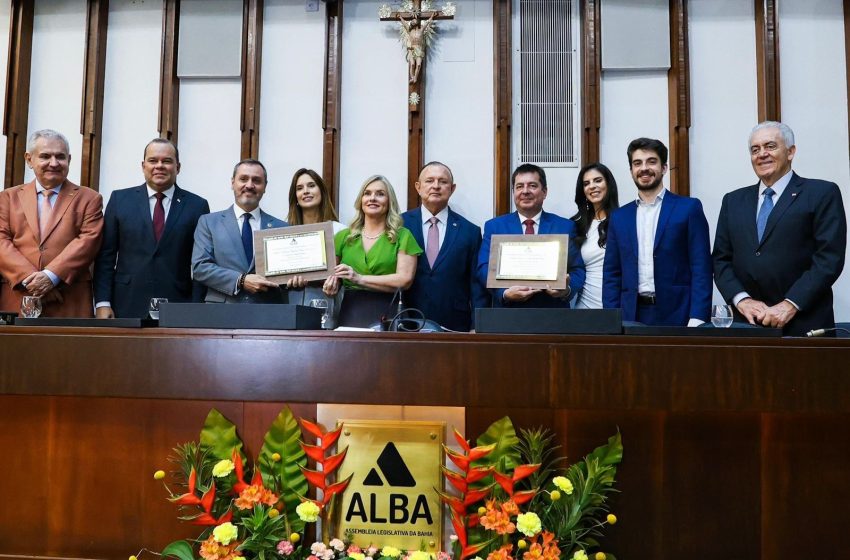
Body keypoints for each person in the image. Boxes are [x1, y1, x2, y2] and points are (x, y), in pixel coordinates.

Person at [713, 121, 847, 336]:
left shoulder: (822, 193)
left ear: (791, 151)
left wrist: (790, 304)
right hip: (746, 324)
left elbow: (829, 259)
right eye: (755, 149)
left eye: (770, 146)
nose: (762, 154)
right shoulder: (733, 201)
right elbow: (721, 260)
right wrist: (742, 300)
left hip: (804, 323)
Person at [94, 139, 210, 318]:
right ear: (143, 166)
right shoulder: (120, 200)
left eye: (167, 161)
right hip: (126, 303)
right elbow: (105, 257)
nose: (159, 166)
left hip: (178, 304)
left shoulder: (197, 206)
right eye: (153, 160)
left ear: (178, 167)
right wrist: (102, 302)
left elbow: (201, 263)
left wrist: (195, 306)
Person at [603, 137, 712, 326]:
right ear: (631, 171)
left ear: (664, 168)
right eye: (637, 163)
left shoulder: (688, 208)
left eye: (651, 161)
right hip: (631, 315)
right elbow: (612, 273)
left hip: (679, 314)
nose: (644, 168)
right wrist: (612, 318)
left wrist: (698, 317)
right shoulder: (619, 217)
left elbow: (701, 267)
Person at [0, 129, 103, 317]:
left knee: (68, 348)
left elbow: (88, 241)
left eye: (60, 157)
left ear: (69, 160)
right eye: (45, 156)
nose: (53, 163)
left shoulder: (89, 199)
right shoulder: (7, 198)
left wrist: (50, 277)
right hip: (18, 297)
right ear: (29, 159)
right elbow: (1, 242)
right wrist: (31, 280)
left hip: (69, 299)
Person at [477, 163, 585, 308]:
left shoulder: (564, 226)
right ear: (513, 192)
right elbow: (483, 267)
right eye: (519, 186)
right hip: (507, 315)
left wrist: (566, 290)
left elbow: (577, 270)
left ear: (544, 192)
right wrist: (504, 292)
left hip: (552, 315)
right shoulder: (495, 227)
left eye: (532, 185)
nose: (525, 191)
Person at [323, 175, 422, 327]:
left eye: (380, 194)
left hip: (390, 313)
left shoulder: (403, 235)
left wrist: (359, 278)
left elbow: (405, 280)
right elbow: (330, 276)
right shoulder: (343, 237)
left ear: (389, 201)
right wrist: (331, 284)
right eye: (367, 193)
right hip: (351, 313)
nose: (372, 198)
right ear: (360, 200)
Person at [401, 161, 489, 331]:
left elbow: (476, 286)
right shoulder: (400, 225)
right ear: (418, 187)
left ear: (452, 188)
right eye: (429, 181)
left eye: (443, 181)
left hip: (454, 323)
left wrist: (476, 326)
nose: (436, 186)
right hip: (406, 320)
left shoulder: (470, 231)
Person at [192, 159, 288, 303]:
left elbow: (286, 274)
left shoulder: (282, 227)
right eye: (243, 179)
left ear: (265, 186)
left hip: (267, 313)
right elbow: (200, 268)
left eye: (256, 180)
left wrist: (295, 280)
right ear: (232, 183)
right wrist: (241, 280)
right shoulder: (208, 222)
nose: (249, 185)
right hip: (221, 313)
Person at [570, 163, 620, 310]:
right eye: (586, 183)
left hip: (617, 306)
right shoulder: (575, 226)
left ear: (608, 184)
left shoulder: (624, 220)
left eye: (598, 180)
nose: (592, 186)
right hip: (584, 307)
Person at [286, 168, 345, 233]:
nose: (306, 191)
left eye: (311, 186)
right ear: (295, 196)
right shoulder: (286, 232)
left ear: (322, 192)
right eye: (299, 188)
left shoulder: (339, 230)